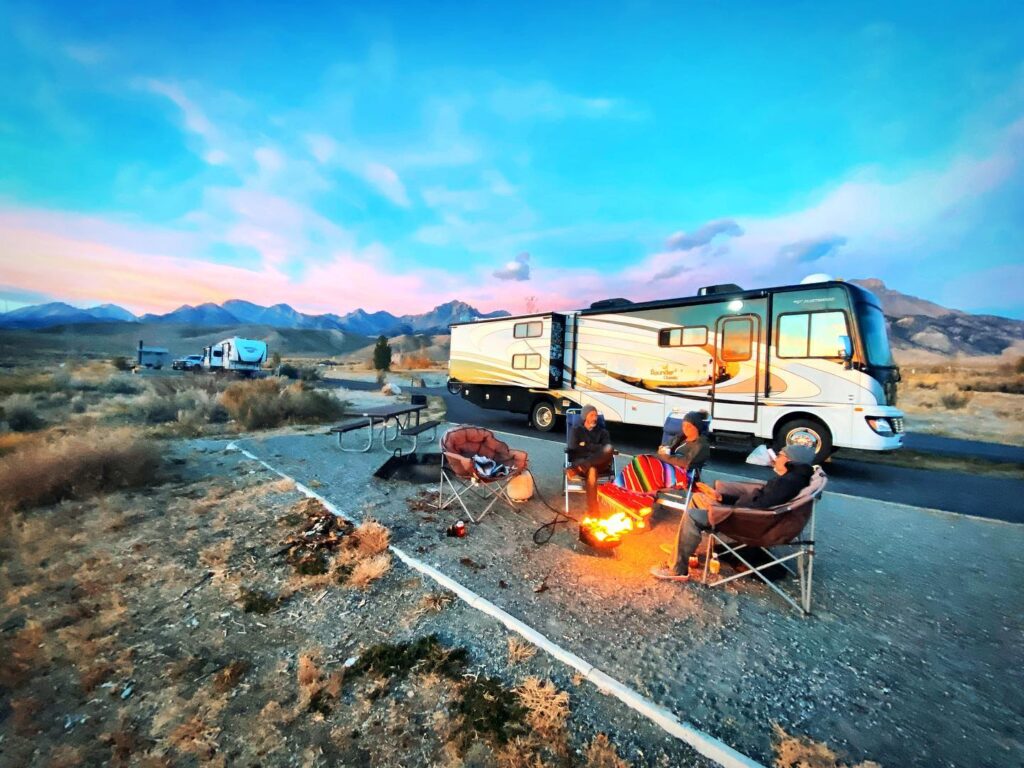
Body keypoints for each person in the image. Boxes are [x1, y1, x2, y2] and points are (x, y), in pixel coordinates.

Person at [650, 443, 816, 581]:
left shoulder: (787, 482)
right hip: (753, 516)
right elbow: (759, 503)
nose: (776, 458)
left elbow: (757, 508)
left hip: (748, 522)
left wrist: (725, 509)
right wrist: (721, 498)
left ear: (789, 460)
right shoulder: (794, 478)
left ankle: (677, 570)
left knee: (693, 516)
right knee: (698, 498)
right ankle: (684, 550)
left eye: (779, 455)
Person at [566, 405, 614, 512]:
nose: (595, 418)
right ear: (584, 416)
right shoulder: (576, 430)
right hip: (581, 461)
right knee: (592, 470)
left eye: (596, 415)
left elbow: (607, 448)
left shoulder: (603, 432)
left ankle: (578, 469)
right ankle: (594, 511)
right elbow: (572, 447)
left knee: (609, 448)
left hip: (597, 465)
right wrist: (596, 448)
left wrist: (585, 445)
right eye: (592, 415)